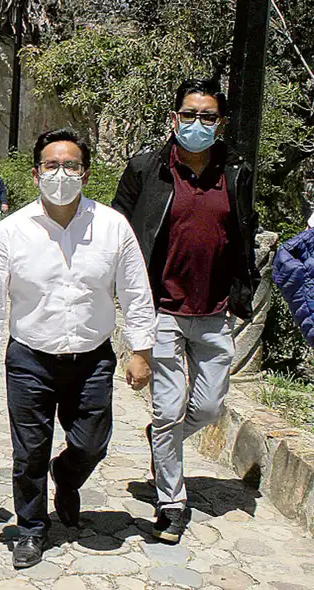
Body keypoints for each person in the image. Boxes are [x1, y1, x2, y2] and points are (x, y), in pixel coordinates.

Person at [0, 128, 156, 569]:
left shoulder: (112, 226)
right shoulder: (13, 231)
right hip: (30, 358)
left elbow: (134, 289)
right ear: (36, 174)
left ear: (86, 174)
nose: (61, 174)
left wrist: (141, 350)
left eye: (70, 165)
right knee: (29, 451)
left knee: (93, 444)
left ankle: (67, 475)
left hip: (92, 357)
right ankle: (31, 528)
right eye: (51, 166)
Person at [112, 78, 258, 545]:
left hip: (214, 311)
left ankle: (162, 437)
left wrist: (243, 291)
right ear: (174, 118)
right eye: (189, 115)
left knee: (211, 405)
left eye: (208, 117)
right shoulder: (146, 168)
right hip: (163, 310)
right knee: (171, 407)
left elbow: (244, 233)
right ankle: (171, 502)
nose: (197, 124)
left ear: (221, 123)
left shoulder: (236, 173)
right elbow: (119, 228)